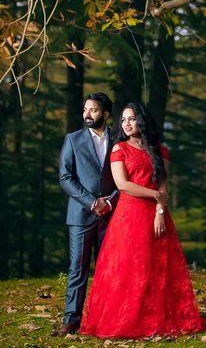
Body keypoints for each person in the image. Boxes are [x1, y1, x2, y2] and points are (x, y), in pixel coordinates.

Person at [79, 102, 206, 339]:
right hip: (130, 215)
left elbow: (163, 182)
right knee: (129, 268)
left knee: (158, 266)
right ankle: (127, 319)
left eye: (132, 119)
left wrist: (160, 208)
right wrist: (155, 195)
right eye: (124, 120)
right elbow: (123, 185)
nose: (126, 124)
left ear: (142, 120)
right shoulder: (119, 149)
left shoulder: (160, 150)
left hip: (156, 214)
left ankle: (157, 317)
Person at [52, 92, 118, 337]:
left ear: (106, 113)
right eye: (85, 110)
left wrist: (110, 202)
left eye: (93, 110)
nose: (87, 114)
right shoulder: (73, 139)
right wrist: (92, 202)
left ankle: (106, 317)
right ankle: (71, 320)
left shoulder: (119, 139)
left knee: (108, 268)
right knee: (77, 269)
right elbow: (65, 178)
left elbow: (127, 176)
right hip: (80, 215)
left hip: (112, 215)